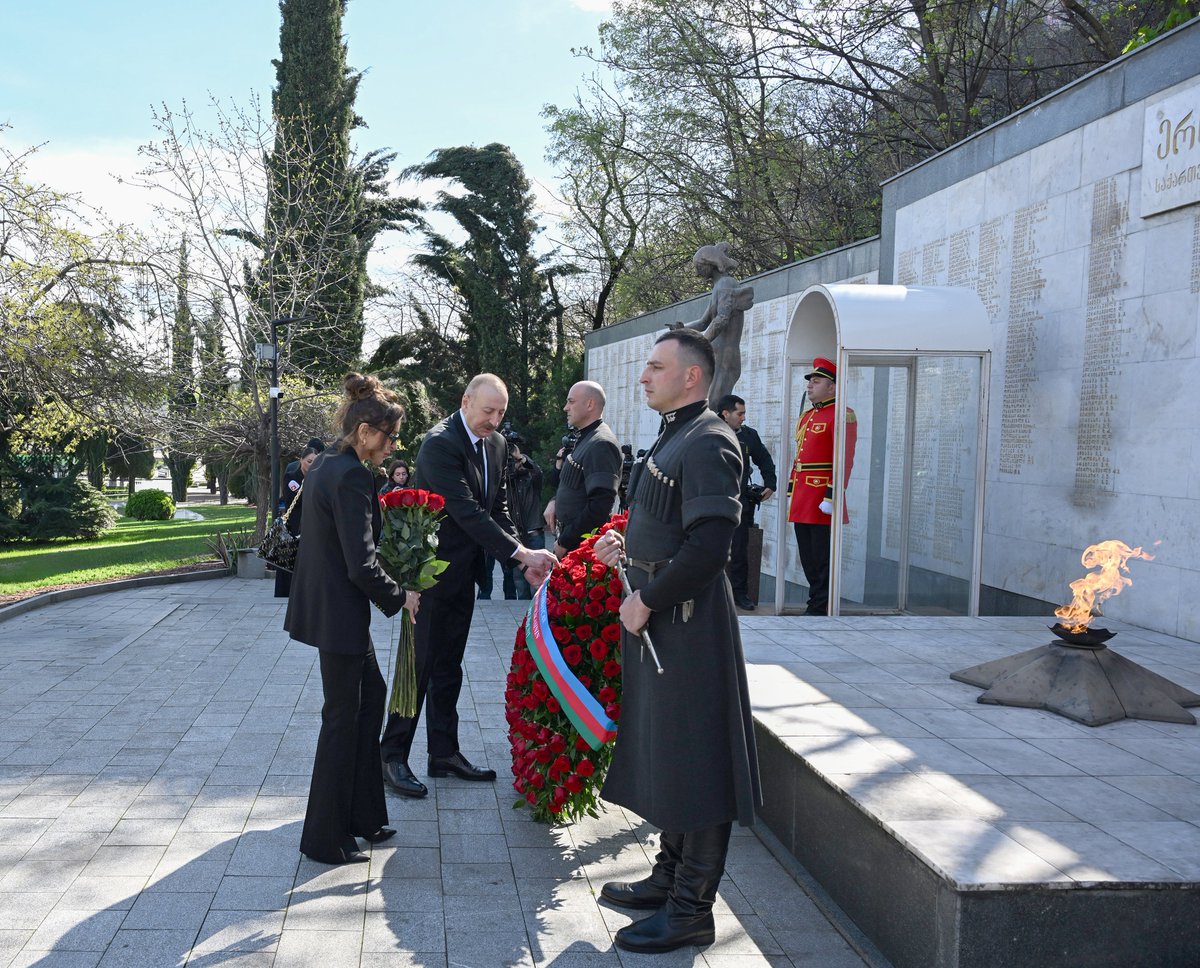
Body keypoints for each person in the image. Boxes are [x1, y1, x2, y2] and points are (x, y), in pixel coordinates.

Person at [592, 329, 761, 954]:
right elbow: (668, 527)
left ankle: (693, 908)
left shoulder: (711, 437)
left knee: (700, 761)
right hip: (664, 619)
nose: (644, 377)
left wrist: (645, 599)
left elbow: (712, 549)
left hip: (687, 624)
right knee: (674, 752)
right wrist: (626, 550)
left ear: (692, 376)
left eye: (656, 368)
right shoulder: (676, 432)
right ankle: (669, 879)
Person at [379, 374, 558, 798]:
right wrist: (522, 555)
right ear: (465, 401)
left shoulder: (494, 444)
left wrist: (518, 560)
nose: (493, 421)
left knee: (449, 669)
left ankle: (443, 753)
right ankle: (392, 756)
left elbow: (497, 507)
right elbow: (465, 512)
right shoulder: (439, 443)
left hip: (464, 575)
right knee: (417, 668)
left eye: (500, 413)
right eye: (487, 411)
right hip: (429, 576)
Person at [283, 375, 418, 865]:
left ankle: (363, 817)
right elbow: (360, 563)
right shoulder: (351, 475)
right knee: (341, 719)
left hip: (329, 610)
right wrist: (401, 596)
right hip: (339, 614)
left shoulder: (327, 466)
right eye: (389, 436)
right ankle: (323, 838)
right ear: (364, 431)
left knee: (370, 699)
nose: (392, 446)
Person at [787, 357, 857, 616]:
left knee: (822, 557)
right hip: (804, 495)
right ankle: (816, 599)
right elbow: (800, 456)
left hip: (821, 497)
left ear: (833, 387)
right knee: (807, 556)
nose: (810, 385)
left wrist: (831, 494)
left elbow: (844, 460)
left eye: (817, 381)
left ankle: (820, 604)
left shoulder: (842, 415)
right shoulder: (807, 416)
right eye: (810, 381)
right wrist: (792, 487)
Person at [666, 242, 755, 406]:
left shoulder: (726, 284)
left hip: (725, 356)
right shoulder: (718, 287)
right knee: (707, 403)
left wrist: (702, 342)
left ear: (710, 264)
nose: (697, 272)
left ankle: (717, 431)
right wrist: (682, 328)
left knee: (713, 404)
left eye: (699, 266)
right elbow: (703, 322)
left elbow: (721, 320)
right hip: (716, 355)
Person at [543, 381, 622, 555]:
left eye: (571, 402)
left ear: (590, 404)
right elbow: (574, 484)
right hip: (572, 542)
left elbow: (600, 505)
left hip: (581, 549)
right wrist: (555, 500)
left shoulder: (601, 443)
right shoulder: (586, 437)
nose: (565, 408)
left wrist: (565, 542)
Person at [715, 395, 776, 611]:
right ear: (725, 414)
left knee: (740, 550)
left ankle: (739, 594)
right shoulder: (707, 433)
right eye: (739, 413)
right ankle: (709, 597)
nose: (743, 418)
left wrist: (771, 482)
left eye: (744, 413)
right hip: (711, 503)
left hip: (739, 503)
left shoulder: (749, 436)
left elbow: (764, 460)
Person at [274, 438, 325, 600]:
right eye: (309, 461)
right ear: (301, 460)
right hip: (294, 525)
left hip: (313, 524)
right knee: (291, 558)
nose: (312, 465)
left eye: (315, 462)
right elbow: (296, 499)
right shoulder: (292, 476)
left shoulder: (319, 477)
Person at [500, 437, 543, 600]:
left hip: (533, 532)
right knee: (519, 580)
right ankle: (522, 613)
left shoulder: (532, 477)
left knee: (537, 580)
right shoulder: (505, 480)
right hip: (515, 535)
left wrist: (521, 458)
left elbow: (537, 472)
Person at [618, 443, 634, 512]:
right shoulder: (625, 461)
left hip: (628, 483)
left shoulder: (631, 460)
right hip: (623, 484)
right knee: (623, 503)